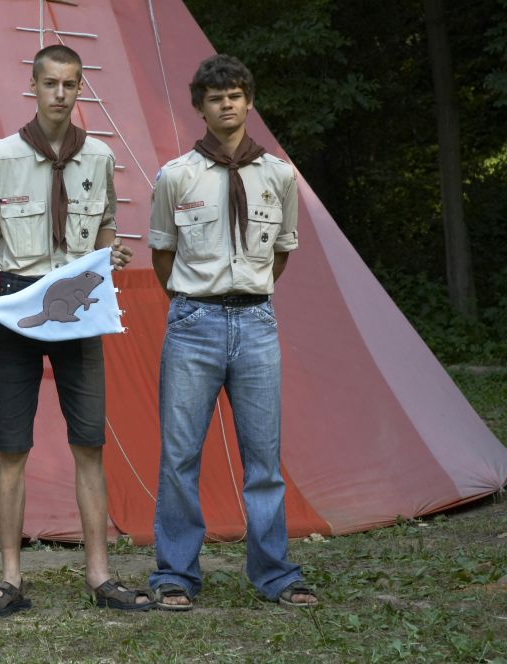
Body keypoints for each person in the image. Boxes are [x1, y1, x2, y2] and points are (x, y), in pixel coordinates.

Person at [0, 44, 146, 616]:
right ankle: (10, 579)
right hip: (19, 298)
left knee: (89, 442)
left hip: (78, 304)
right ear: (35, 86)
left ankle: (100, 575)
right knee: (13, 445)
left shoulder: (98, 157)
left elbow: (106, 225)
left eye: (70, 84)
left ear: (80, 88)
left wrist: (107, 256)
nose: (60, 94)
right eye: (51, 84)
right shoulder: (1, 156)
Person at [147, 54, 317, 610]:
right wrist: (195, 300)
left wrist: (248, 294)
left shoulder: (279, 175)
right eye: (216, 98)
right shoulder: (177, 176)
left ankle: (275, 573)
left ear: (250, 102)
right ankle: (175, 574)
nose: (227, 105)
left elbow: (281, 252)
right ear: (200, 107)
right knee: (179, 456)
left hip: (256, 322)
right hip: (193, 322)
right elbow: (163, 254)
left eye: (236, 96)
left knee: (264, 458)